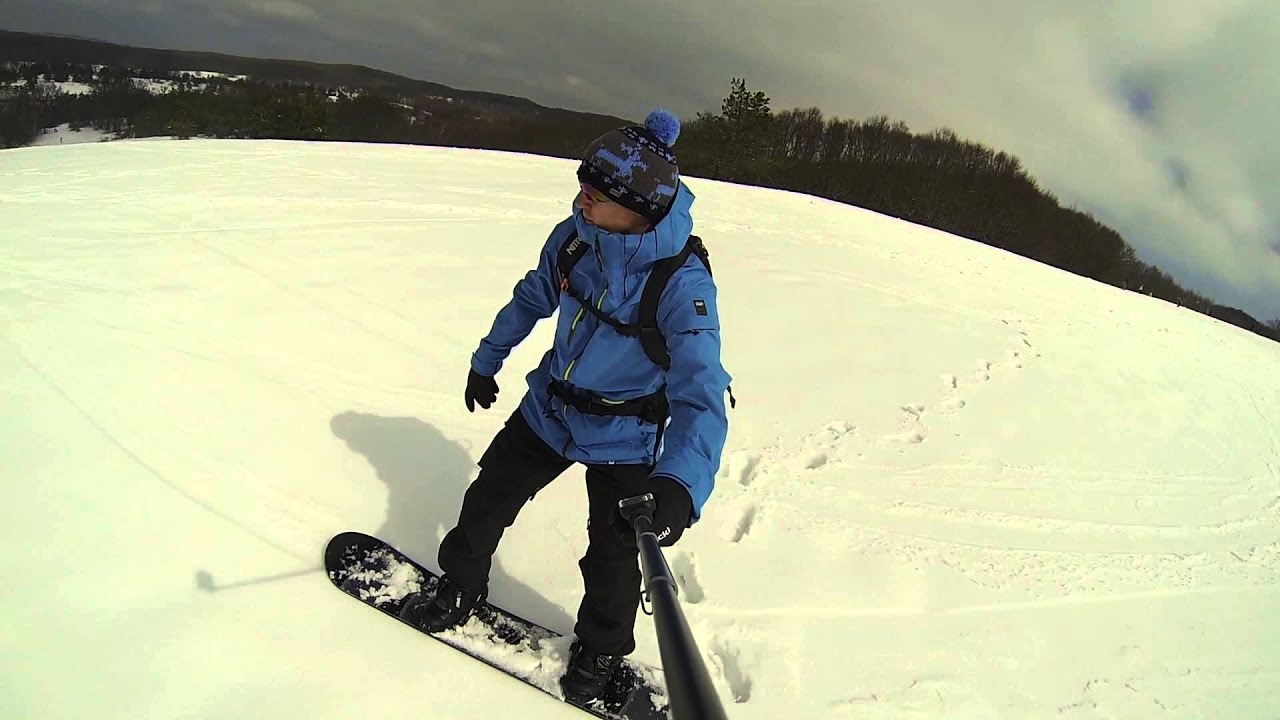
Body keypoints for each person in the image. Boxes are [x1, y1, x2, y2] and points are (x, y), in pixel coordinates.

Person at [397, 108, 733, 704]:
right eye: (581, 189)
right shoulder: (576, 238)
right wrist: (486, 359)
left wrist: (681, 481)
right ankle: (460, 583)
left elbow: (701, 391)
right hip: (550, 408)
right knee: (487, 499)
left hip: (627, 434)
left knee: (613, 558)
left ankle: (600, 652)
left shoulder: (682, 285)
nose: (581, 203)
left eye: (594, 195)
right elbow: (532, 296)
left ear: (639, 208)